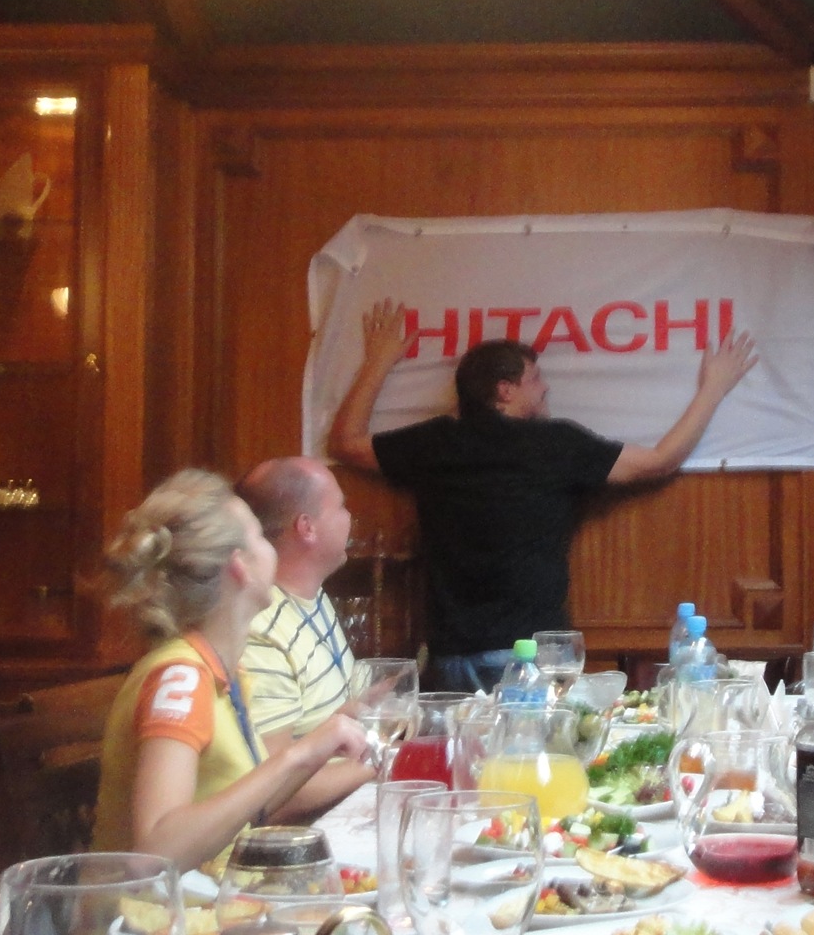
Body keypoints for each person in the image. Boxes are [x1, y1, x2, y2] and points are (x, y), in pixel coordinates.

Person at [328, 299, 758, 691]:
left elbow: (345, 441)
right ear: (505, 390)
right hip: (529, 657)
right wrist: (713, 388)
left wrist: (379, 362)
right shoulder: (554, 444)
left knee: (462, 755)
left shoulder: (433, 443)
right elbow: (660, 461)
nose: (545, 388)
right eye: (534, 379)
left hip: (450, 655)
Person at [93, 469, 374, 874]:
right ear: (240, 566)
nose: (271, 545)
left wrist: (322, 746)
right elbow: (153, 854)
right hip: (149, 912)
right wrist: (297, 756)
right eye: (260, 536)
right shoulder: (182, 677)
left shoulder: (224, 671)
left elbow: (252, 806)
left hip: (212, 898)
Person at [237, 456, 362, 749]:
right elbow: (277, 772)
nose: (349, 517)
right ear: (307, 527)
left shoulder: (312, 596)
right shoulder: (260, 629)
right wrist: (390, 759)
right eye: (341, 506)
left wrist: (372, 707)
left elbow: (319, 729)